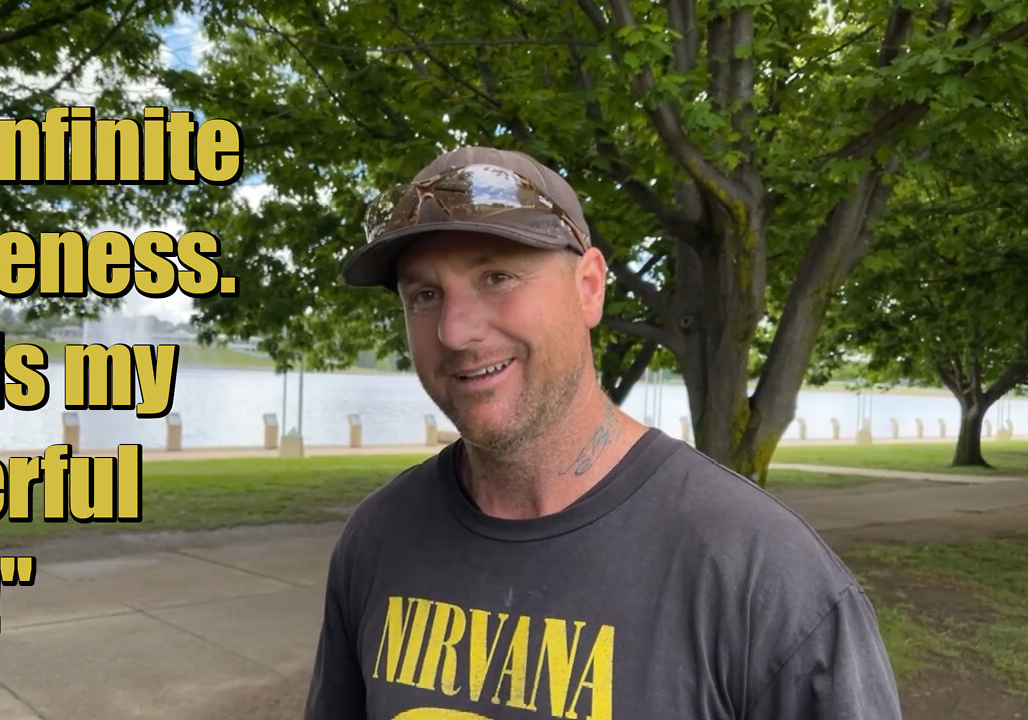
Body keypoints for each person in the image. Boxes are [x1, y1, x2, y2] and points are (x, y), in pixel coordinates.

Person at [303, 146, 902, 719]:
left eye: (497, 277)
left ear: (589, 287)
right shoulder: (378, 541)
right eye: (425, 295)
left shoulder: (764, 575)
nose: (455, 331)